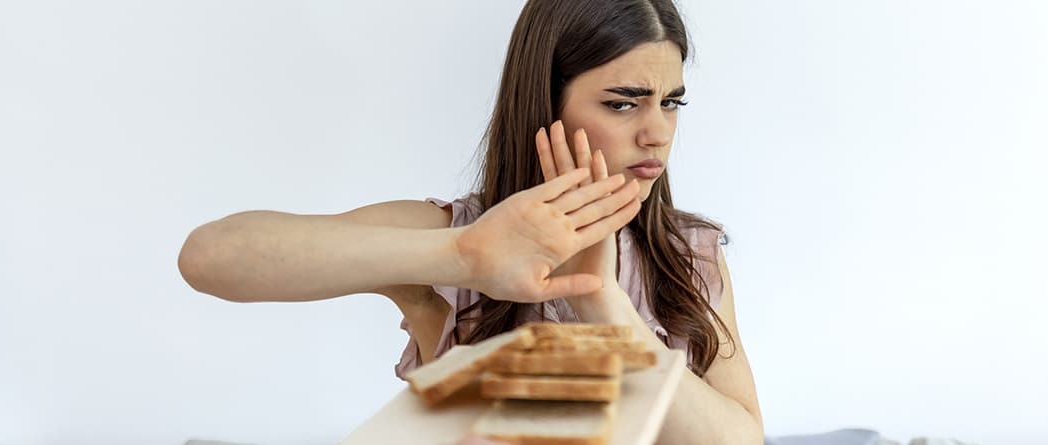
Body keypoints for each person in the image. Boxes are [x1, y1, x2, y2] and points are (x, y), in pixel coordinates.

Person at [178, 0, 763, 443]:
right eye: (623, 102)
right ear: (545, 102)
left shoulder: (688, 252)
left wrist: (602, 302)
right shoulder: (458, 234)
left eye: (672, 102)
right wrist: (462, 257)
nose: (657, 131)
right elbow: (211, 257)